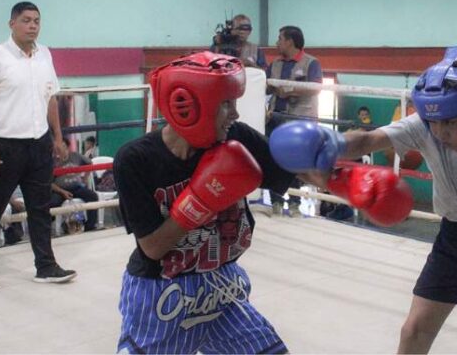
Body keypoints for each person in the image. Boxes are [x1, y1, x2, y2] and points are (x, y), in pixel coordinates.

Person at [268, 46, 457, 354]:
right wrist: (330, 143)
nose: (439, 132)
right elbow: (368, 139)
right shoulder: (425, 126)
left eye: (450, 123)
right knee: (414, 330)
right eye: (434, 122)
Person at [114, 52, 294, 354]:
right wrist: (200, 201)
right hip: (161, 291)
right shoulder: (136, 160)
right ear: (190, 105)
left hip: (222, 285)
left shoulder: (234, 138)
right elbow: (153, 248)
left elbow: (295, 171)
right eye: (225, 104)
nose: (235, 114)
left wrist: (347, 174)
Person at [0, 1, 75, 291]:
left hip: (38, 144)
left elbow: (51, 97)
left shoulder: (44, 56)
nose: (33, 25)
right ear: (12, 23)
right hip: (3, 147)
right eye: (26, 20)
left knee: (40, 208)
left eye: (37, 20)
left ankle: (46, 266)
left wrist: (58, 136)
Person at [265, 25, 323, 217]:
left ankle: (296, 202)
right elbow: (265, 87)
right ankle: (276, 201)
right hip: (276, 119)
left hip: (300, 120)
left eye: (280, 39)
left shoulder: (311, 63)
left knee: (296, 161)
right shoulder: (274, 64)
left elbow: (315, 88)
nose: (276, 43)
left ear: (290, 41)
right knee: (273, 159)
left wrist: (290, 90)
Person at [50, 138, 98, 232]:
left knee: (93, 196)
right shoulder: (52, 161)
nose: (60, 150)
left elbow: (90, 163)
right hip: (60, 190)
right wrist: (62, 192)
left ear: (67, 147)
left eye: (62, 147)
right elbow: (48, 182)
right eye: (57, 148)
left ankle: (90, 226)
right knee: (52, 203)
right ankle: (54, 227)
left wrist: (85, 178)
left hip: (77, 187)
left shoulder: (76, 156)